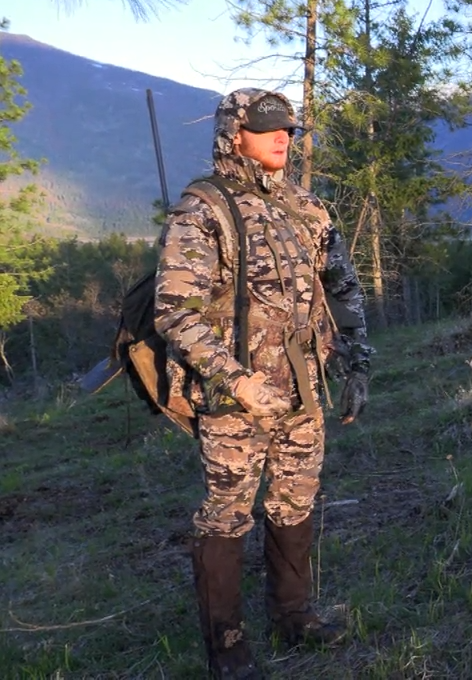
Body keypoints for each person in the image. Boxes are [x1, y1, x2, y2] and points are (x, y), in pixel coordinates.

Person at [155, 88, 373, 679]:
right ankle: (227, 648)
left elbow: (343, 290)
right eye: (269, 128)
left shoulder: (309, 209)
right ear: (234, 133)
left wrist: (356, 364)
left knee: (295, 499)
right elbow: (175, 312)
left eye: (291, 130)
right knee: (226, 513)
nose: (285, 137)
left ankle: (294, 616)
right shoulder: (205, 209)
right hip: (234, 400)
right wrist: (237, 381)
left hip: (303, 392)